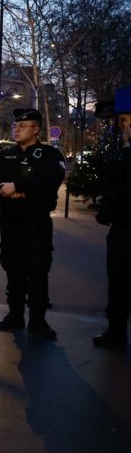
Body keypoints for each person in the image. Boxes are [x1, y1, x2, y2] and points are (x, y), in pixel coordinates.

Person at [0, 109, 66, 340]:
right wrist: (3, 189)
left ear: (36, 129)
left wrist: (18, 187)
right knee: (13, 270)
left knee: (38, 271)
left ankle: (38, 321)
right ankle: (15, 315)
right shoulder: (5, 155)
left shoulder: (49, 154)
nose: (16, 129)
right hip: (9, 223)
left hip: (35, 224)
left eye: (23, 126)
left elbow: (50, 180)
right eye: (15, 126)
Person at [94, 110, 131, 350]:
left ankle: (116, 331)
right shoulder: (121, 153)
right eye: (123, 121)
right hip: (121, 228)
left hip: (125, 226)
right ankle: (115, 330)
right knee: (117, 281)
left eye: (129, 122)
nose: (125, 126)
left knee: (120, 281)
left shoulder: (124, 156)